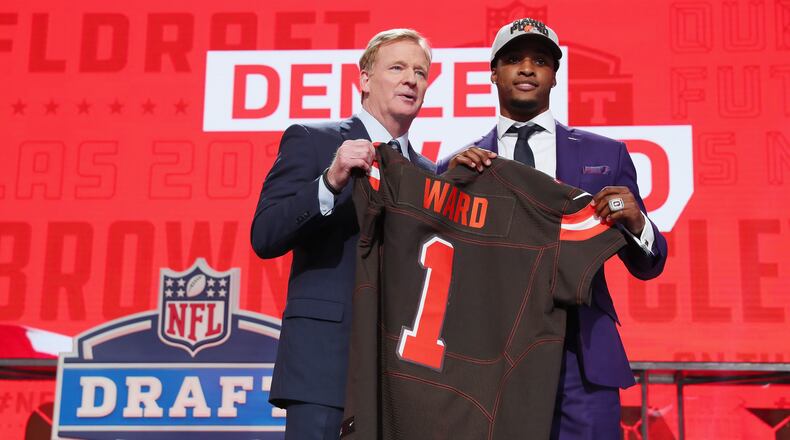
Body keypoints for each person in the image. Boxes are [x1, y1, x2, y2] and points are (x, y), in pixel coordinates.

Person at [437, 18, 668, 439]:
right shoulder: (461, 165)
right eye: (513, 60)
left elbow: (649, 265)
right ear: (493, 73)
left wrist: (637, 221)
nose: (527, 69)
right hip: (493, 358)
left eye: (540, 61)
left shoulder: (607, 154)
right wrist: (448, 190)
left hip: (581, 356)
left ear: (554, 76)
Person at [250, 29, 435, 439]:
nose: (411, 79)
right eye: (398, 67)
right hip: (324, 368)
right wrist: (330, 180)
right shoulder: (313, 139)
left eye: (420, 72)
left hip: (402, 374)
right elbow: (265, 235)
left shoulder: (429, 173)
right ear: (365, 79)